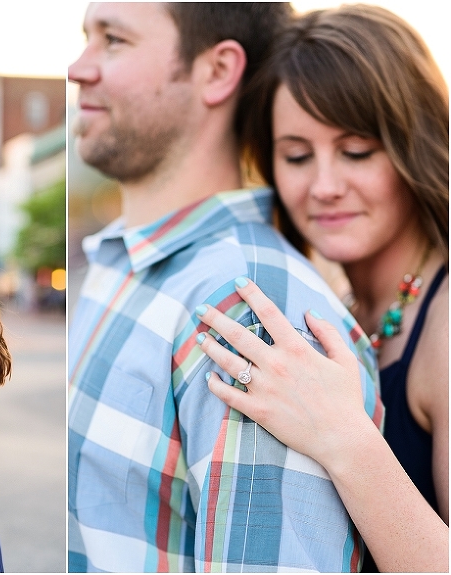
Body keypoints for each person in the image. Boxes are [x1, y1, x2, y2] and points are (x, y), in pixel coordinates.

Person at [68, 3, 382, 572]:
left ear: (217, 71)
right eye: (86, 37)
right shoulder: (118, 263)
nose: (78, 68)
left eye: (113, 40)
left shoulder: (253, 310)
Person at [193, 5, 448, 572]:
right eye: (297, 156)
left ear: (415, 143)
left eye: (357, 151)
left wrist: (342, 435)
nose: (325, 186)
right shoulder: (352, 309)